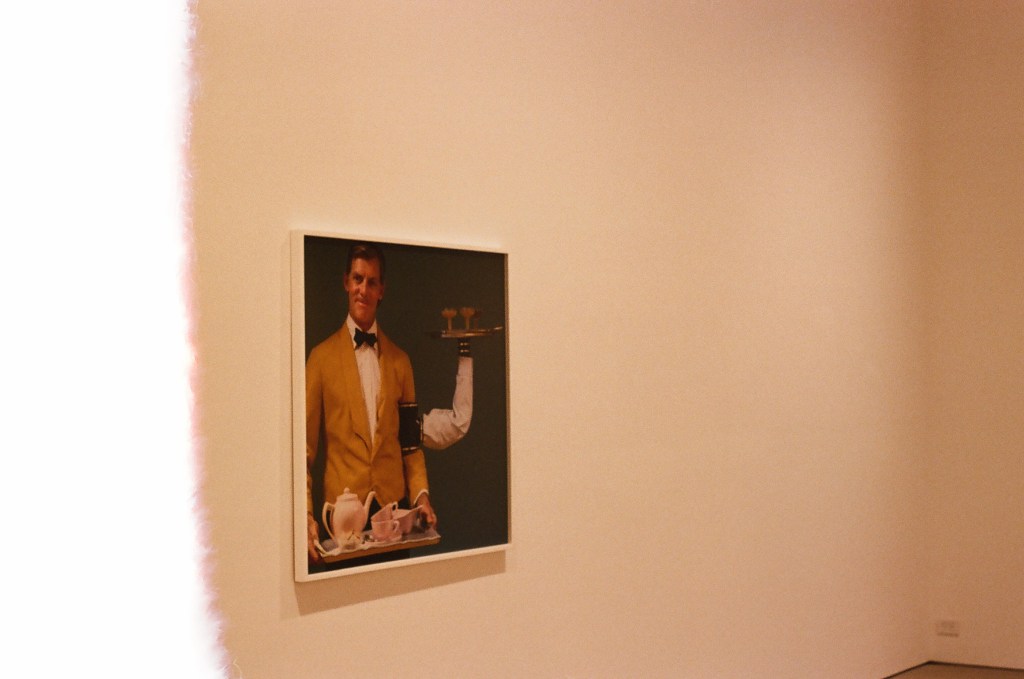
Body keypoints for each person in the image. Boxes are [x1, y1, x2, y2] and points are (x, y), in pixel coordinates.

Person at [305, 242, 437, 564]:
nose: (363, 289)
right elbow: (303, 453)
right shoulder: (320, 360)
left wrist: (421, 496)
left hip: (395, 520)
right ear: (346, 282)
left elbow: (410, 445)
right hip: (342, 524)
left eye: (372, 282)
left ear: (382, 290)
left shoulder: (401, 362)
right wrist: (305, 515)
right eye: (358, 279)